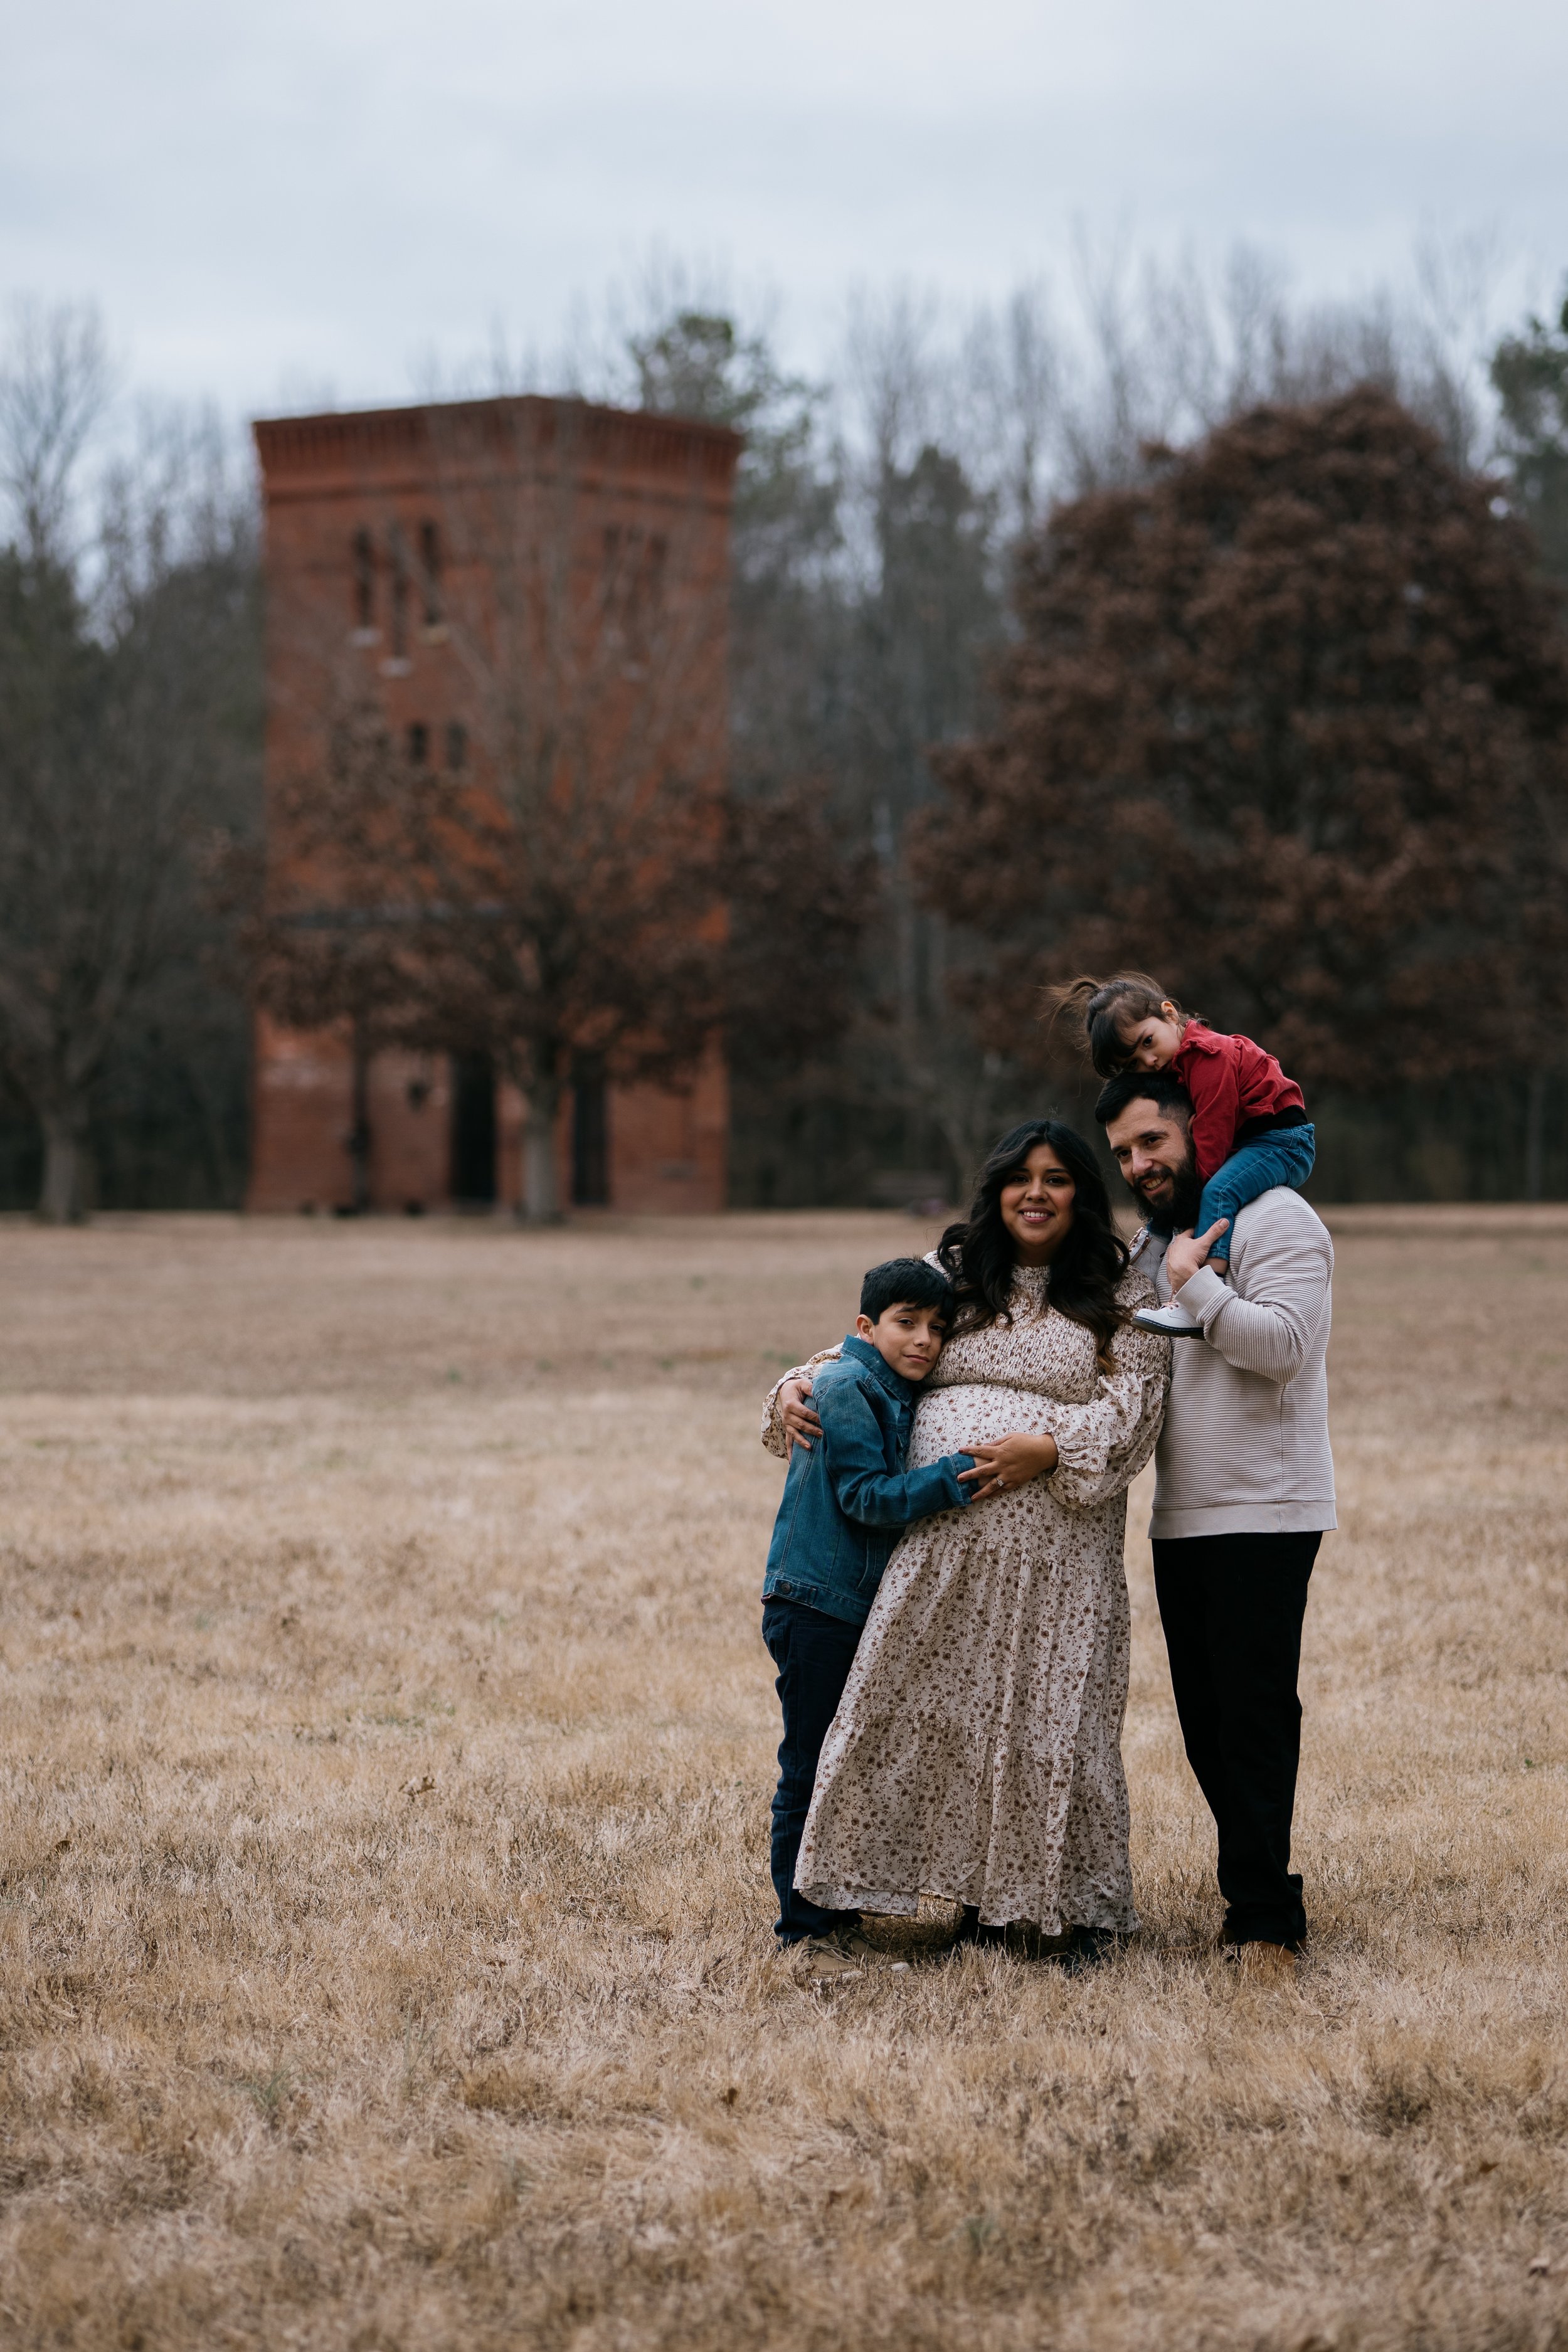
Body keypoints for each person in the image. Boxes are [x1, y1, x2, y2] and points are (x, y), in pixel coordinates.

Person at [766, 1122, 1170, 1977]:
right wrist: (794, 1385)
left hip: (1059, 1559)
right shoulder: (953, 1272)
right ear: (995, 1190)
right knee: (927, 1718)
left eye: (1056, 1178)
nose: (1036, 1193)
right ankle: (909, 1897)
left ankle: (1065, 1908)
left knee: (1053, 1721)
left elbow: (1134, 1410)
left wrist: (1046, 1449)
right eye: (1020, 1177)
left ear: (1081, 1193)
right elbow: (866, 1344)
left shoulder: (1122, 1293)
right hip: (938, 1555)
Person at [1096, 1067, 1335, 1983]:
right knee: (1206, 1721)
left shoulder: (1277, 1218)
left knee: (1253, 1714)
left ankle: (1264, 1920)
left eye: (1152, 1141)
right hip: (1182, 1511)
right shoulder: (1155, 1241)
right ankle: (1261, 1889)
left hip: (1265, 1507)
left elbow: (1283, 1348)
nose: (1138, 1164)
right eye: (1123, 1152)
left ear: (1202, 1126)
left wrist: (1193, 1286)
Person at [761, 1257, 982, 1981]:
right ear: (865, 1326)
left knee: (840, 1763)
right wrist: (956, 1475)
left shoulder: (885, 1383)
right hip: (816, 1605)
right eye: (906, 1323)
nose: (924, 1341)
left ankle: (831, 1909)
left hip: (843, 1604)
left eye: (937, 1329)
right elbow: (865, 1497)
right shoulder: (848, 1387)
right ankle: (802, 1931)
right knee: (808, 1766)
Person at [1048, 973, 1315, 1338]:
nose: (1149, 1061)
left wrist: (1197, 1195)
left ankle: (1201, 1287)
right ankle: (1144, 1260)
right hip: (1254, 1139)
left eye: (1148, 1042)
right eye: (1133, 1063)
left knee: (1216, 1190)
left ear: (1170, 1013)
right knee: (1173, 1194)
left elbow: (1213, 1133)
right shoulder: (1179, 1062)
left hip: (1282, 1142)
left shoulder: (1209, 1058)